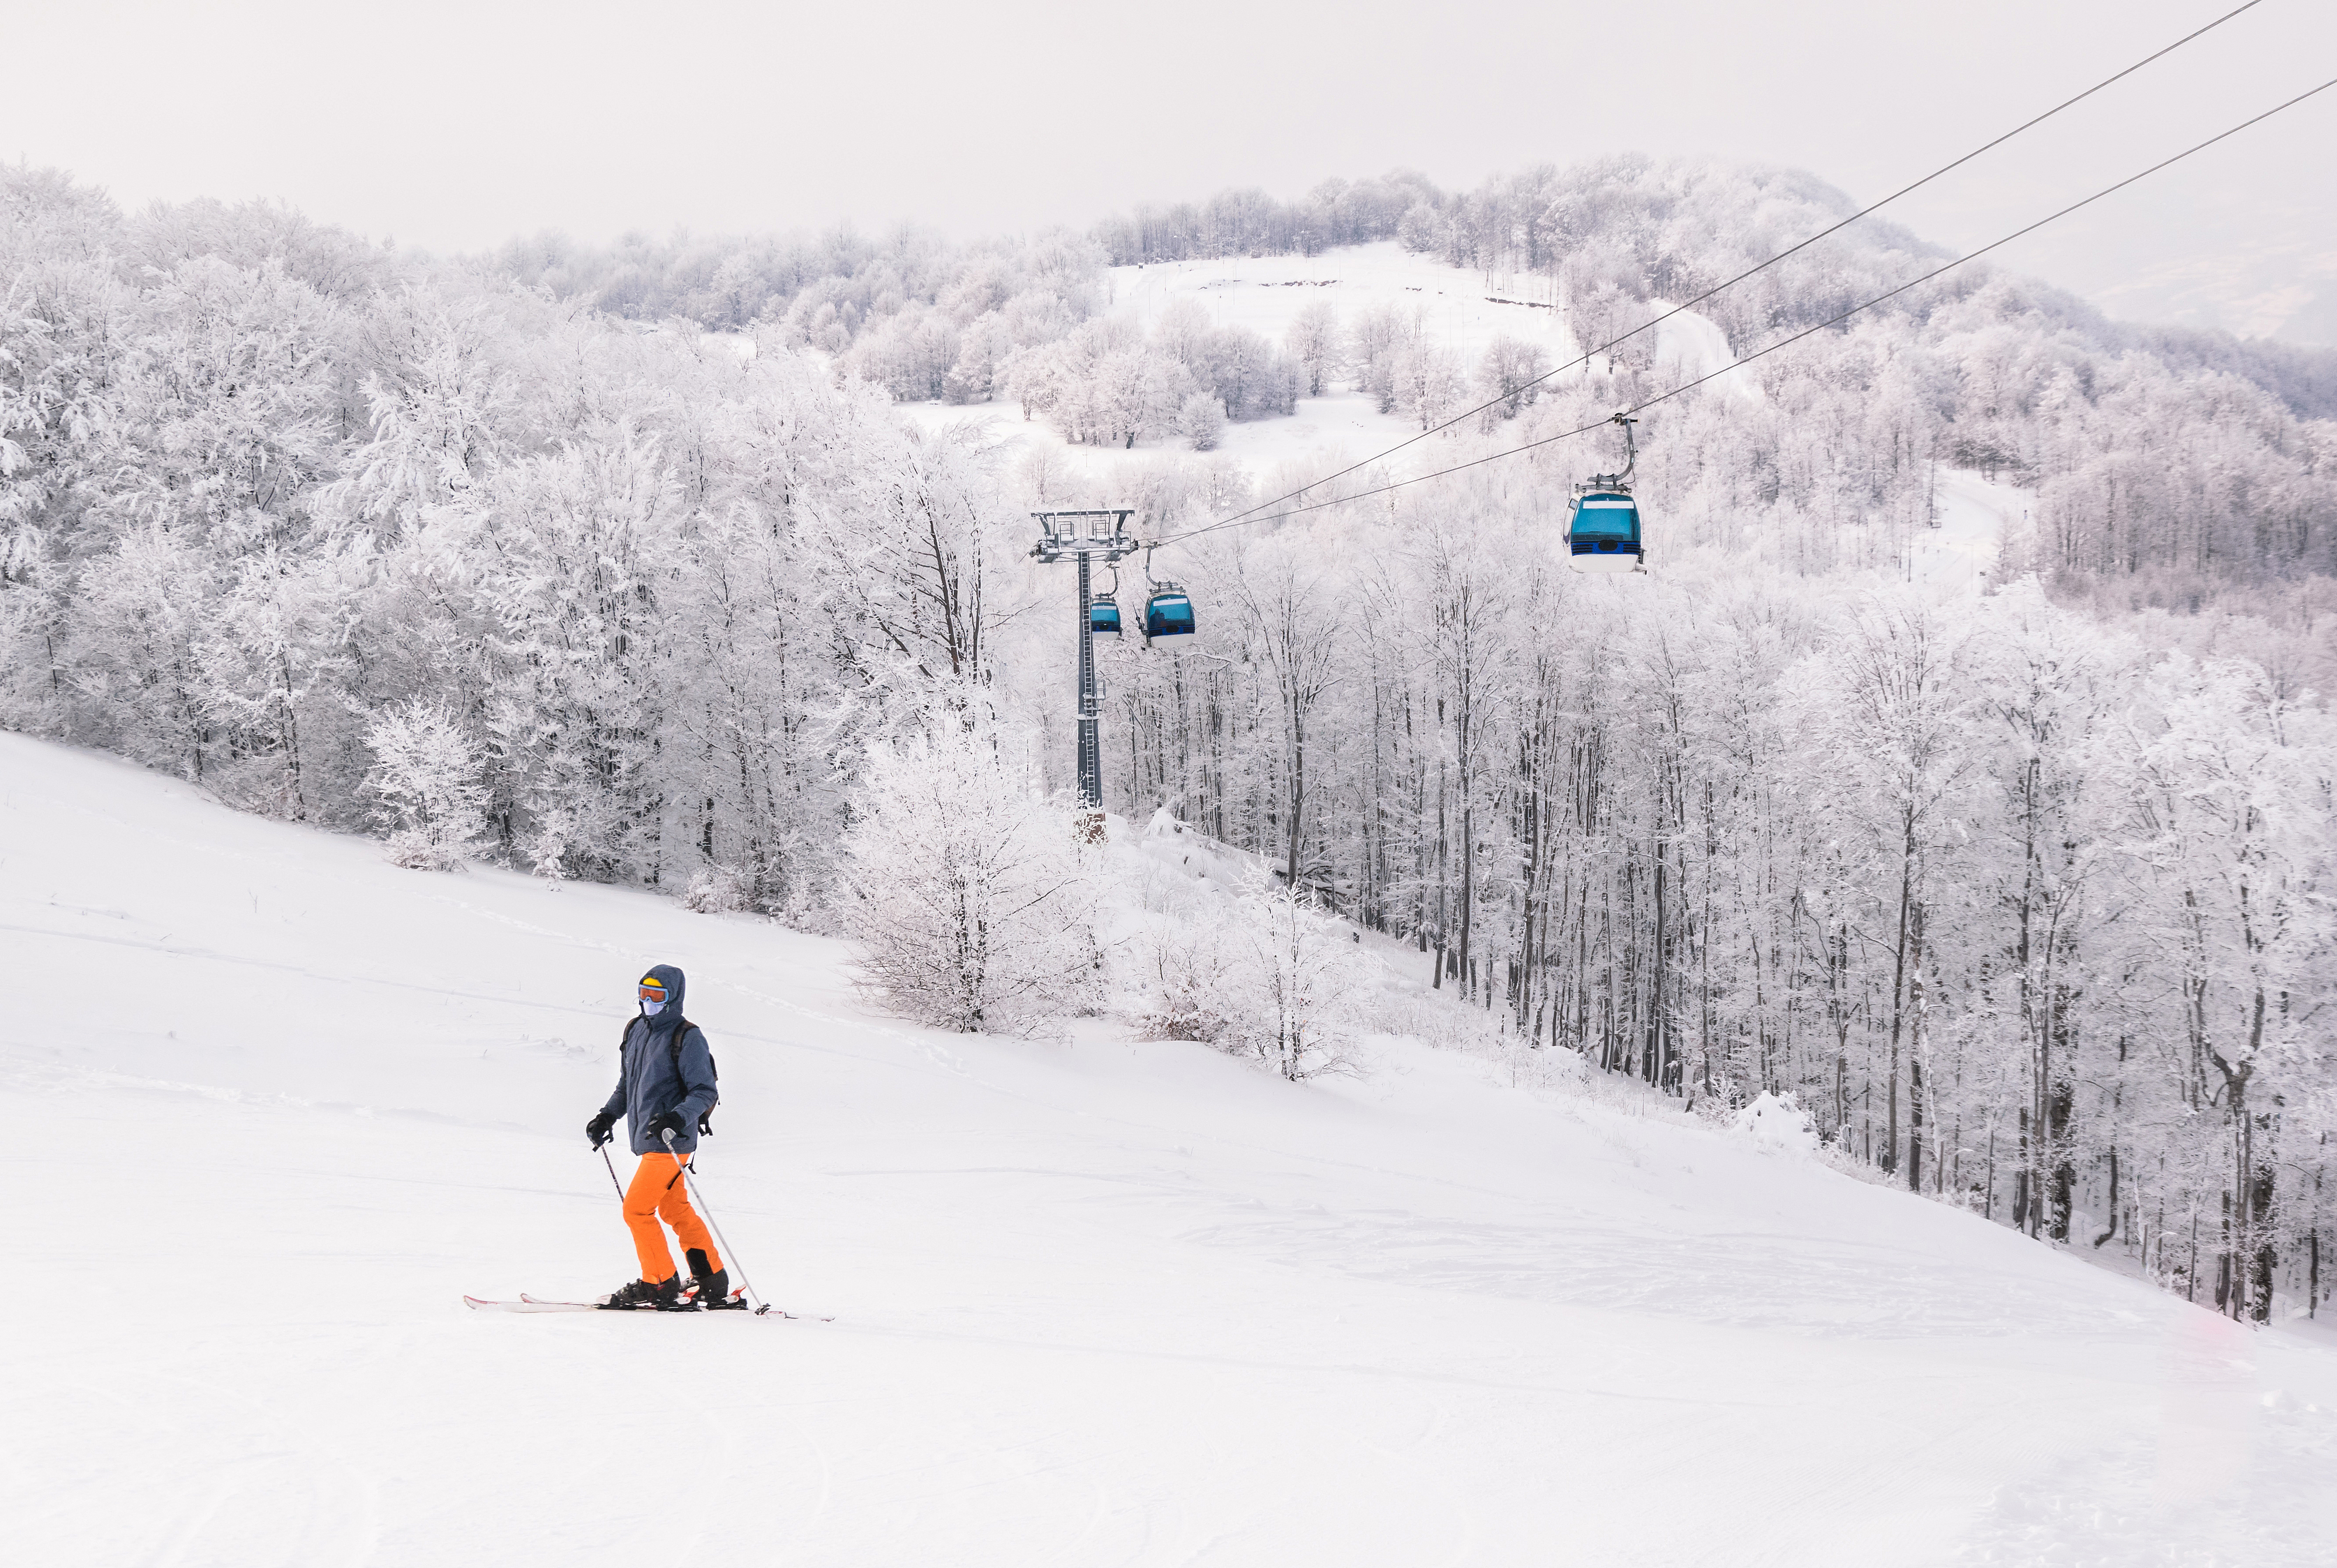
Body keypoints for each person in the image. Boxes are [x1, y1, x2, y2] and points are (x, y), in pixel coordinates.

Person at [585, 965, 726, 1310]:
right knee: (674, 1208)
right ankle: (711, 1279)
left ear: (673, 998)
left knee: (636, 1211)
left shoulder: (687, 1036)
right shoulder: (635, 1030)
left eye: (657, 996)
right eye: (644, 994)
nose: (648, 1001)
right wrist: (607, 1115)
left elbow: (704, 1091)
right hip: (649, 1138)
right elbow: (628, 1085)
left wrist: (677, 1118)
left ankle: (660, 1283)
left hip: (670, 1141)